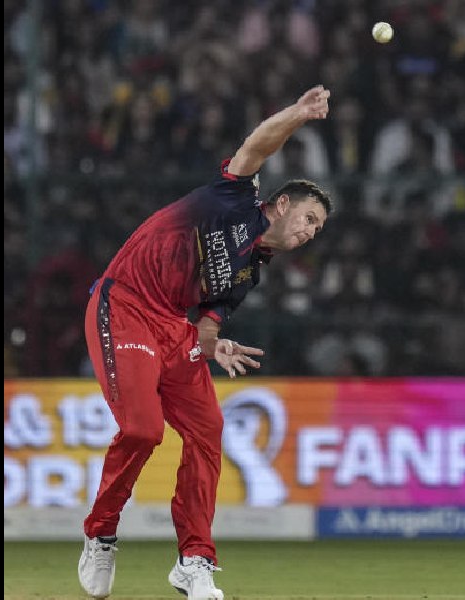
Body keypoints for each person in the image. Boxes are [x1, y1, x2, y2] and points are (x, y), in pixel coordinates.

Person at [78, 84, 333, 600]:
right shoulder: (234, 199)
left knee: (208, 430)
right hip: (124, 305)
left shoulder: (249, 275)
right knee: (144, 430)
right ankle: (101, 532)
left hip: (174, 328)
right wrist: (298, 115)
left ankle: (194, 560)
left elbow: (209, 319)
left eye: (318, 229)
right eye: (309, 219)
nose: (310, 233)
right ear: (281, 204)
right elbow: (257, 146)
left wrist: (213, 341)